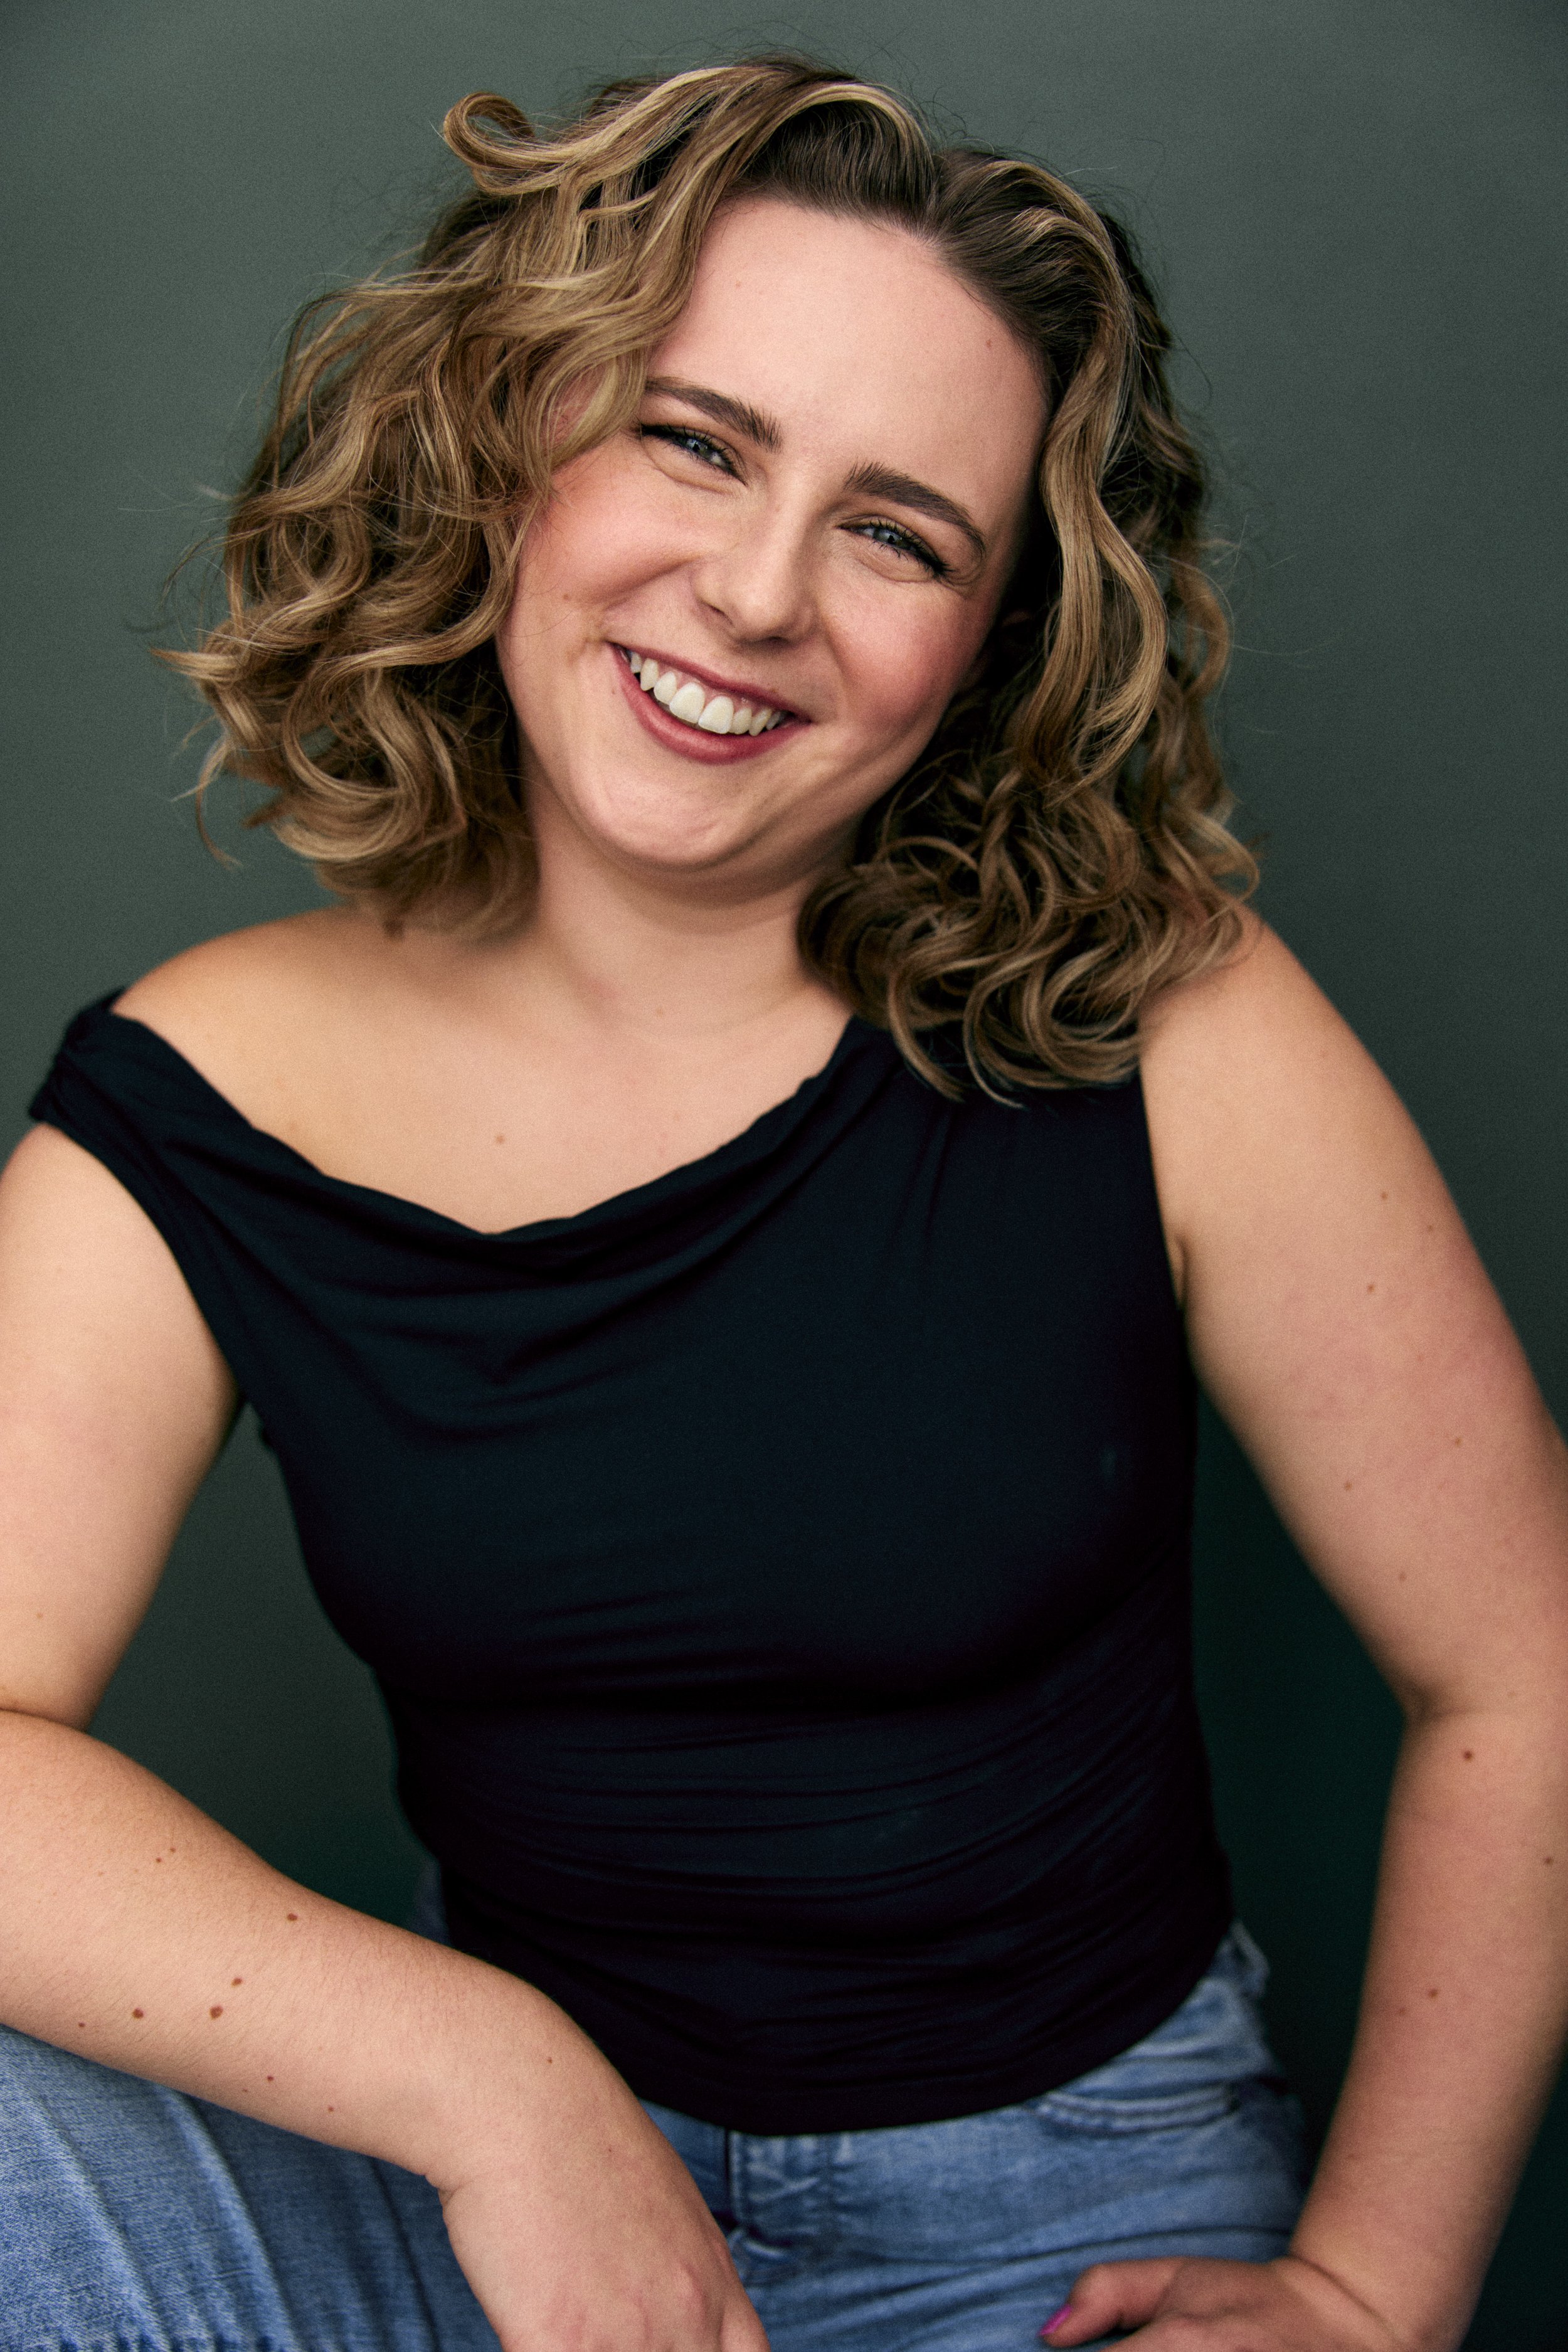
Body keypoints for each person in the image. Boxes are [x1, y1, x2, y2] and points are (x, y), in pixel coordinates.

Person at [0, 53, 1564, 2352]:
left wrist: (1368, 2292)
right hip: (486, 2224)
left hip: (1054, 2246)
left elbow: (1520, 1662)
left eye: (896, 531)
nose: (750, 593)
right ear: (505, 437)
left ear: (994, 641)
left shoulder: (1156, 1021)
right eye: (694, 439)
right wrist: (494, 2084)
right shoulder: (200, 1097)